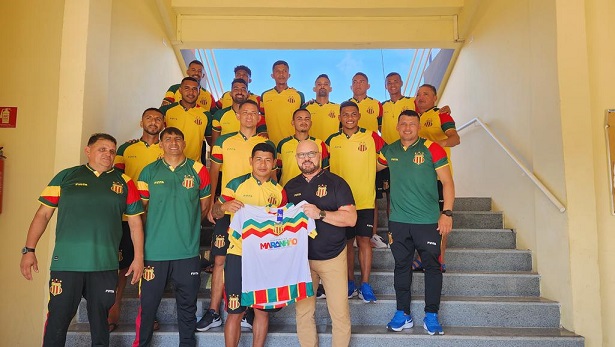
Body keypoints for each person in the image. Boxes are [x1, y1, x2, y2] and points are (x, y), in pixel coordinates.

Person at [20, 133, 145, 347]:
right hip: (68, 263)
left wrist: (139, 258)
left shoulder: (124, 182)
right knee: (58, 320)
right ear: (88, 150)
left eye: (112, 151)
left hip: (104, 265)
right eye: (102, 149)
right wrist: (29, 250)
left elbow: (135, 224)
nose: (108, 154)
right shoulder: (66, 177)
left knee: (100, 323)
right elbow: (43, 214)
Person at [197, 99, 275, 332]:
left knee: (254, 260)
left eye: (254, 113)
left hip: (258, 210)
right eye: (245, 112)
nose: (249, 116)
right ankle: (214, 311)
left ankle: (247, 310)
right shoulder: (223, 141)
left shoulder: (266, 143)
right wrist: (212, 203)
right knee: (220, 259)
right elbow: (214, 172)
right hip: (229, 208)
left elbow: (274, 177)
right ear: (238, 115)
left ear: (259, 117)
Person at [377, 110, 454, 335]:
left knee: (432, 266)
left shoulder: (432, 148)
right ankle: (403, 313)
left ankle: (431, 314)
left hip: (428, 221)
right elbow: (369, 167)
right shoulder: (389, 150)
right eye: (403, 124)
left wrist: (446, 213)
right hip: (399, 222)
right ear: (398, 126)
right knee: (401, 266)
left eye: (412, 124)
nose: (407, 128)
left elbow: (448, 182)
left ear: (418, 127)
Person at [133, 127, 211, 347]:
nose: (173, 142)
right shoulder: (149, 171)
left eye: (178, 138)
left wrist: (186, 226)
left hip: (187, 252)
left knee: (187, 306)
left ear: (184, 143)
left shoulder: (198, 170)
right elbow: (141, 212)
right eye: (168, 139)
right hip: (154, 252)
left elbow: (204, 207)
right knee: (148, 306)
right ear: (161, 144)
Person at [210, 143, 287, 347]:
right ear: (251, 161)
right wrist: (224, 206)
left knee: (262, 310)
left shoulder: (279, 191)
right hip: (238, 254)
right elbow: (216, 212)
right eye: (259, 159)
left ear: (274, 164)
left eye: (268, 160)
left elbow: (283, 224)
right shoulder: (236, 184)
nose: (263, 164)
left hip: (266, 257)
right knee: (235, 310)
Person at [285, 140, 357, 347]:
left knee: (339, 312)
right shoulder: (290, 187)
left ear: (320, 155)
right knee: (303, 313)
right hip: (302, 260)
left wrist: (321, 213)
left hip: (333, 256)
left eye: (311, 154)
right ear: (296, 158)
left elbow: (351, 219)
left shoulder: (337, 183)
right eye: (301, 155)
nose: (306, 158)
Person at [108, 108, 164, 332]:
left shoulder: (166, 147)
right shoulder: (126, 148)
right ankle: (113, 312)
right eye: (149, 118)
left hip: (156, 217)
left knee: (151, 268)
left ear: (163, 123)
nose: (153, 122)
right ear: (141, 122)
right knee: (122, 268)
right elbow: (116, 177)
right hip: (128, 215)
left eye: (158, 119)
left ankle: (148, 314)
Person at [325, 101, 385, 303]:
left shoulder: (371, 136)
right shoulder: (331, 140)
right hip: (341, 204)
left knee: (365, 241)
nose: (349, 118)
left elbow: (386, 157)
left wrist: (369, 170)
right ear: (339, 117)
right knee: (347, 244)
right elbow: (323, 168)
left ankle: (365, 284)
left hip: (365, 200)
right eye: (345, 114)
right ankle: (350, 282)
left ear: (359, 116)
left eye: (353, 114)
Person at [415, 83, 460, 270]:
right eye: (418, 94)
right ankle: (420, 257)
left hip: (439, 176)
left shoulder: (442, 114)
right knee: (420, 220)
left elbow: (455, 138)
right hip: (420, 177)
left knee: (441, 218)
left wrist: (436, 145)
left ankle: (439, 260)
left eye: (426, 94)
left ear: (435, 98)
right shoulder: (414, 118)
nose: (421, 97)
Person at [348, 72, 387, 248]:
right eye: (355, 82)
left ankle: (372, 235)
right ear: (351, 86)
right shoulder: (346, 106)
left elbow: (382, 129)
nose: (358, 84)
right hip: (351, 159)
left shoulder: (377, 104)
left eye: (362, 81)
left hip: (371, 160)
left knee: (373, 198)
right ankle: (353, 234)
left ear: (368, 85)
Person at [160, 76, 212, 163]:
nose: (191, 92)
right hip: (169, 163)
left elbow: (211, 141)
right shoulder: (166, 110)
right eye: (187, 88)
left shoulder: (206, 115)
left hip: (193, 165)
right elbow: (153, 131)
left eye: (195, 89)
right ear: (180, 90)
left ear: (199, 92)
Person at [276, 108, 329, 186]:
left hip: (315, 190)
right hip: (289, 190)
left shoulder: (320, 144)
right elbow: (277, 171)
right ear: (293, 123)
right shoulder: (283, 144)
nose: (303, 122)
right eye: (299, 119)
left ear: (311, 123)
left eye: (306, 119)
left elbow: (325, 170)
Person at [260, 60, 305, 147]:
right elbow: (262, 117)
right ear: (272, 75)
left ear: (289, 75)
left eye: (284, 71)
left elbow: (302, 117)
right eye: (278, 71)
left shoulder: (298, 95)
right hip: (271, 144)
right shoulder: (265, 95)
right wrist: (263, 133)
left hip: (293, 144)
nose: (281, 74)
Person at [211, 78, 267, 147]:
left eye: (243, 89)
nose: (240, 92)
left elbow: (263, 140)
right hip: (227, 156)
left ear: (248, 94)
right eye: (236, 89)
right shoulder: (219, 115)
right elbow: (214, 144)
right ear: (230, 94)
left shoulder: (256, 116)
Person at [302, 74, 340, 142]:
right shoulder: (306, 108)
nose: (322, 86)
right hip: (312, 149)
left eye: (326, 84)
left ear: (330, 89)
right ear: (314, 89)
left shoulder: (338, 108)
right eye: (319, 84)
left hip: (331, 149)